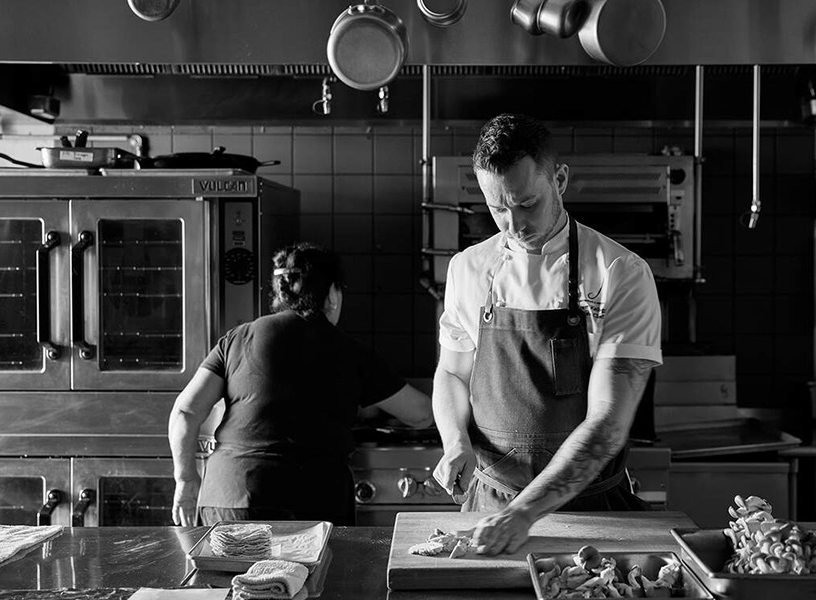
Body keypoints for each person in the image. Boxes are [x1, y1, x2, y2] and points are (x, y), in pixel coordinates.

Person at [428, 114, 666, 555]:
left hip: (589, 512)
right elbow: (452, 374)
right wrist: (455, 441)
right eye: (497, 208)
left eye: (526, 203)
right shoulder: (468, 269)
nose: (513, 224)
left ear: (560, 179)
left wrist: (525, 512)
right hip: (488, 506)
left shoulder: (620, 272)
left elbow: (608, 423)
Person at [167, 243, 433, 527]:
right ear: (332, 294)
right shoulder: (348, 350)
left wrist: (185, 480)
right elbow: (420, 414)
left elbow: (185, 412)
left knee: (230, 571)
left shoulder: (236, 339)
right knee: (307, 574)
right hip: (310, 502)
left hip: (229, 498)